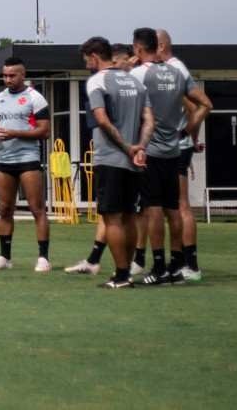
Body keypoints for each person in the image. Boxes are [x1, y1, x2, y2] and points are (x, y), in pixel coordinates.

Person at [130, 28, 211, 284]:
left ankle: (158, 267)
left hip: (151, 150)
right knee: (174, 208)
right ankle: (176, 267)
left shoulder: (140, 73)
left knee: (153, 209)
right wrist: (186, 132)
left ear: (139, 48)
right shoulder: (177, 73)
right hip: (174, 150)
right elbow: (205, 104)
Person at [81, 36, 153, 289]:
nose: (87, 66)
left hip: (111, 158)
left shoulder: (97, 81)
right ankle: (126, 273)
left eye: (86, 61)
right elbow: (149, 120)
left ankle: (121, 275)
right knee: (130, 216)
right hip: (134, 161)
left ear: (93, 56)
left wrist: (126, 147)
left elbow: (101, 119)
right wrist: (140, 148)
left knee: (112, 219)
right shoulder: (135, 81)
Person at [0, 57, 52, 272]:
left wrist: (14, 133)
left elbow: (45, 131)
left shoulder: (35, 98)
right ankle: (5, 257)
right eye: (5, 75)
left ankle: (43, 258)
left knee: (36, 208)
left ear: (23, 75)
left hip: (28, 159)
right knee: (4, 209)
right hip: (4, 160)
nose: (8, 79)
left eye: (12, 75)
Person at [158, 29, 214, 281]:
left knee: (180, 206)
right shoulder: (172, 68)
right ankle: (180, 262)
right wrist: (193, 138)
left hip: (175, 148)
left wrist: (186, 134)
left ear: (160, 46)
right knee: (171, 206)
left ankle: (191, 265)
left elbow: (197, 106)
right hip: (176, 146)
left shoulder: (174, 70)